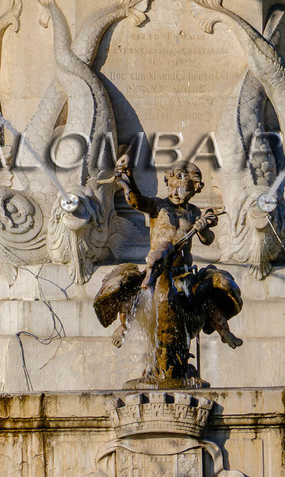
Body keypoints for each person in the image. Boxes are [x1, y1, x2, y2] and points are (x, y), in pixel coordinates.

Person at [92, 155, 243, 386]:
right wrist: (128, 180)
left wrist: (202, 228)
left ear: (194, 190)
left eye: (182, 191)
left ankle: (224, 332)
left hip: (184, 274)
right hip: (157, 271)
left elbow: (208, 239)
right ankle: (124, 325)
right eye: (172, 188)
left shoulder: (194, 212)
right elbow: (136, 201)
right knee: (137, 292)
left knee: (207, 297)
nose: (176, 194)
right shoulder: (157, 207)